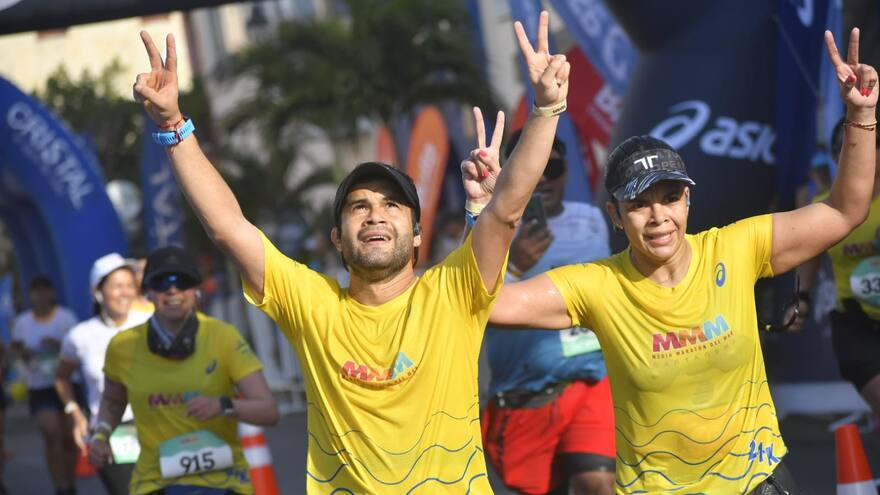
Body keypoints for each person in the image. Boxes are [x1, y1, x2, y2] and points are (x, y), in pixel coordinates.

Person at [130, 9, 569, 493]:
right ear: (337, 238)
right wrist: (173, 123)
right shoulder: (313, 304)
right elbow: (229, 229)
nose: (375, 215)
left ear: (417, 234)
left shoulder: (452, 293)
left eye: (391, 205)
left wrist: (546, 110)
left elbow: (505, 211)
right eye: (359, 207)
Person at [463, 29, 877, 494]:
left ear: (688, 200)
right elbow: (485, 302)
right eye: (639, 204)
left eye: (670, 197)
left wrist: (861, 115)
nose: (659, 216)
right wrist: (488, 207)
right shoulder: (601, 286)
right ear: (615, 216)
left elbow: (845, 210)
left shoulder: (735, 249)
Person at [480, 130, 615, 495]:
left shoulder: (592, 219)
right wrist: (513, 268)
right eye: (531, 168)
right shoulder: (488, 229)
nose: (542, 179)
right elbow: (466, 306)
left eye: (551, 168)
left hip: (591, 381)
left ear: (566, 172)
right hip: (525, 395)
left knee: (597, 484)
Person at [88, 246, 280, 495]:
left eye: (183, 281)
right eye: (161, 282)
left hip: (223, 483)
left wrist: (223, 406)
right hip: (155, 483)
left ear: (196, 290)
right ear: (147, 293)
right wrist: (101, 436)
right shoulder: (123, 346)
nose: (172, 289)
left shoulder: (224, 337)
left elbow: (268, 411)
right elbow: (113, 402)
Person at [792, 116, 880, 420]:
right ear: (834, 157)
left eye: (869, 144)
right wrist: (801, 299)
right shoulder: (823, 209)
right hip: (856, 324)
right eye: (845, 147)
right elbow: (808, 259)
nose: (858, 153)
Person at [55, 253, 152, 494]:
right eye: (117, 286)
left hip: (156, 425)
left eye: (130, 285)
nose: (125, 292)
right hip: (110, 433)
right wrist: (75, 413)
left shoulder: (152, 323)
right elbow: (61, 376)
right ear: (97, 291)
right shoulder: (80, 336)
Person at [11, 275, 80, 495]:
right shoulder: (23, 322)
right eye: (36, 291)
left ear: (52, 293)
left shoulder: (66, 317)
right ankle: (59, 486)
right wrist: (25, 353)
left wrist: (57, 343)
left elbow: (78, 348)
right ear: (31, 295)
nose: (41, 296)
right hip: (39, 385)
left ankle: (70, 483)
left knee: (68, 438)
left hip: (67, 383)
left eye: (45, 290)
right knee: (51, 434)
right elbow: (15, 350)